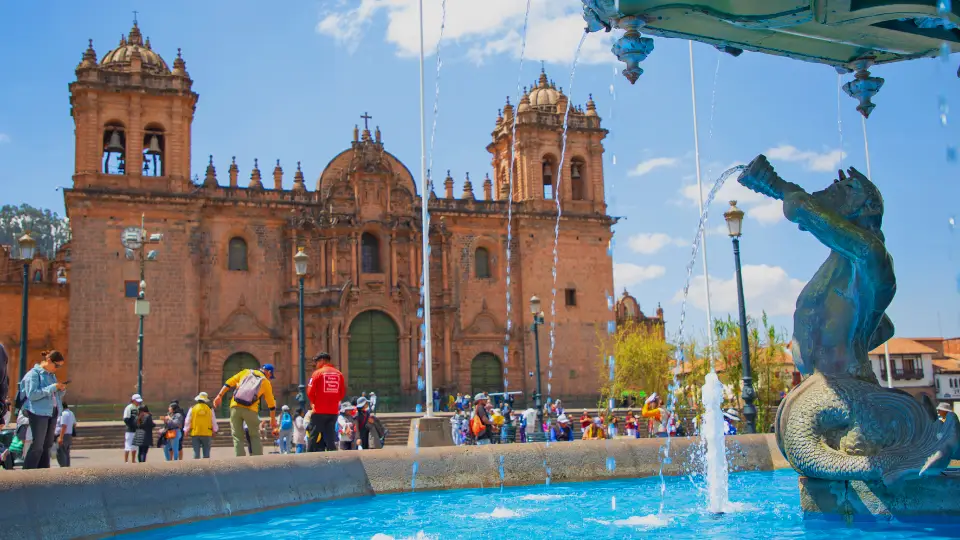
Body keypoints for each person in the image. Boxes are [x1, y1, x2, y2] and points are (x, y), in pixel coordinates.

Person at [213, 363, 278, 457]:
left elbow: (229, 382)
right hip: (250, 410)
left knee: (237, 436)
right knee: (254, 435)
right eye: (270, 376)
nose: (269, 377)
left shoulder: (246, 372)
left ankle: (240, 461)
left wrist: (219, 396)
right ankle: (258, 460)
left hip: (235, 407)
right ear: (268, 372)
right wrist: (272, 419)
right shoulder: (265, 382)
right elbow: (271, 403)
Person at [19, 350, 66, 469]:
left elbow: (54, 395)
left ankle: (43, 474)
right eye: (57, 365)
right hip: (38, 412)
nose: (57, 368)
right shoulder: (34, 374)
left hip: (52, 412)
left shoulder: (52, 376)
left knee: (47, 445)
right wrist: (51, 388)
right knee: (38, 446)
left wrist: (60, 389)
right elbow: (32, 394)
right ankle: (28, 474)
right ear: (49, 361)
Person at [306, 352, 345, 452]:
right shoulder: (339, 374)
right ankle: (333, 460)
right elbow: (342, 393)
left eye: (317, 362)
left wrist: (314, 403)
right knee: (330, 437)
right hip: (333, 412)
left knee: (313, 436)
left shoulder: (317, 373)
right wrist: (334, 401)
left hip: (319, 410)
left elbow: (310, 392)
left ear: (322, 361)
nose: (316, 364)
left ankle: (307, 458)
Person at [184, 392, 217, 459]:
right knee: (206, 453)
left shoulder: (192, 408)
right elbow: (213, 420)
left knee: (196, 453)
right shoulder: (210, 409)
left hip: (195, 432)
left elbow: (188, 420)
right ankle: (206, 467)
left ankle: (196, 467)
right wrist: (215, 430)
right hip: (207, 432)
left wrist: (186, 430)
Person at [123, 394, 143, 463]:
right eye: (137, 401)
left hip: (136, 430)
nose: (138, 402)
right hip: (130, 430)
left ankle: (133, 460)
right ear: (133, 400)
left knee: (135, 446)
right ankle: (126, 461)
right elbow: (126, 419)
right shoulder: (129, 408)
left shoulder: (138, 408)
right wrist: (132, 425)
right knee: (128, 445)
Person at [55, 403, 76, 467]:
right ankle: (67, 466)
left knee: (61, 452)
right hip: (68, 435)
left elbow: (64, 426)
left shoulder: (63, 414)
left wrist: (61, 437)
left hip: (63, 435)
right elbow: (74, 424)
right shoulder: (71, 413)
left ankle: (63, 467)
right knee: (66, 452)